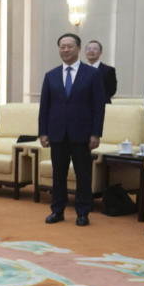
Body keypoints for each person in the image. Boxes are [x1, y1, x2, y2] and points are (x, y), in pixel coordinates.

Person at [38, 33, 105, 226]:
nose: (65, 50)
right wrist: (43, 132)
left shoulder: (92, 74)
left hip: (82, 134)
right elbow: (45, 107)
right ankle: (57, 210)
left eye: (69, 46)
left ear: (78, 48)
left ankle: (83, 212)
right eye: (62, 47)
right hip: (57, 133)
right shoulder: (50, 75)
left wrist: (96, 133)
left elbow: (98, 106)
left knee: (83, 175)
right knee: (58, 174)